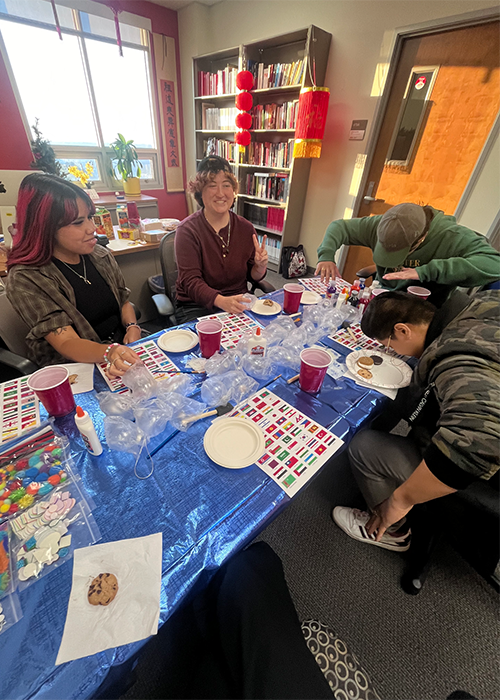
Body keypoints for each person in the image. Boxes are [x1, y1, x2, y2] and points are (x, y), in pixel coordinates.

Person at [332, 289, 500, 551]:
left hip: (486, 474)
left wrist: (400, 499)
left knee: (363, 445)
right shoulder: (481, 302)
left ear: (402, 330)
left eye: (388, 345)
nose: (390, 351)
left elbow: (479, 442)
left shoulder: (456, 360)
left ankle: (394, 532)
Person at [6, 174, 140, 377]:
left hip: (118, 349)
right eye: (78, 222)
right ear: (45, 228)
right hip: (75, 367)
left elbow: (123, 299)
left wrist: (132, 326)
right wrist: (110, 351)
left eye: (89, 217)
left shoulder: (99, 255)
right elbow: (67, 342)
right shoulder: (26, 278)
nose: (92, 228)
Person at [315, 203, 500, 305]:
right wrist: (327, 256)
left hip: (424, 309)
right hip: (383, 298)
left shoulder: (451, 236)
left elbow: (494, 264)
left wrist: (426, 271)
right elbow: (339, 227)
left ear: (420, 239)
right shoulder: (381, 224)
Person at [175, 155, 268, 322]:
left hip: (238, 301)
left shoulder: (246, 228)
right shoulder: (187, 230)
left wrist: (260, 267)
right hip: (197, 306)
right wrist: (222, 302)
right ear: (200, 192)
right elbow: (190, 282)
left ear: (233, 191)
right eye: (212, 186)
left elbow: (252, 275)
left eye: (226, 185)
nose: (220, 193)